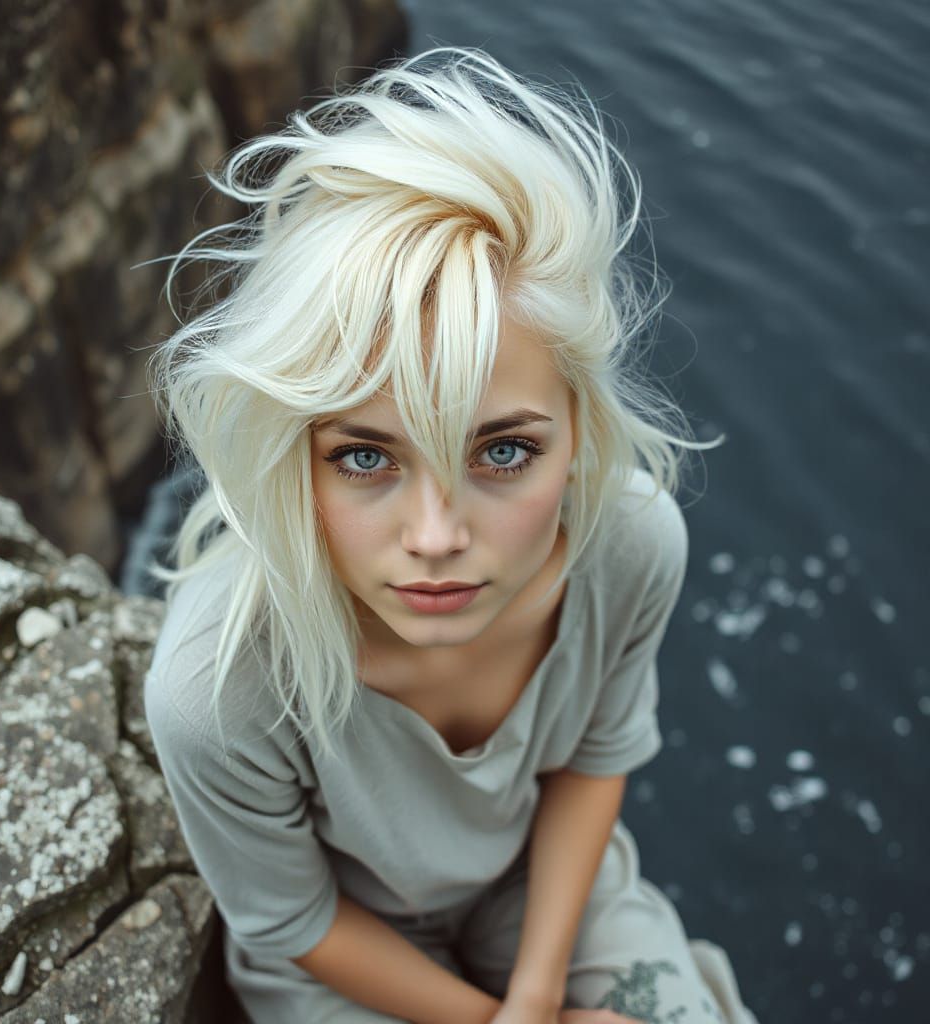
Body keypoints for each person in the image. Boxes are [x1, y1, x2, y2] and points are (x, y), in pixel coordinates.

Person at [142, 46, 760, 1024]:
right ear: (295, 451)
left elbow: (591, 763)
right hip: (344, 954)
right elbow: (293, 918)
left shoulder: (632, 546)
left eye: (503, 451)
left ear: (581, 429)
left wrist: (539, 990)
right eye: (364, 456)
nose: (434, 537)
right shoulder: (216, 686)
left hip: (539, 890)